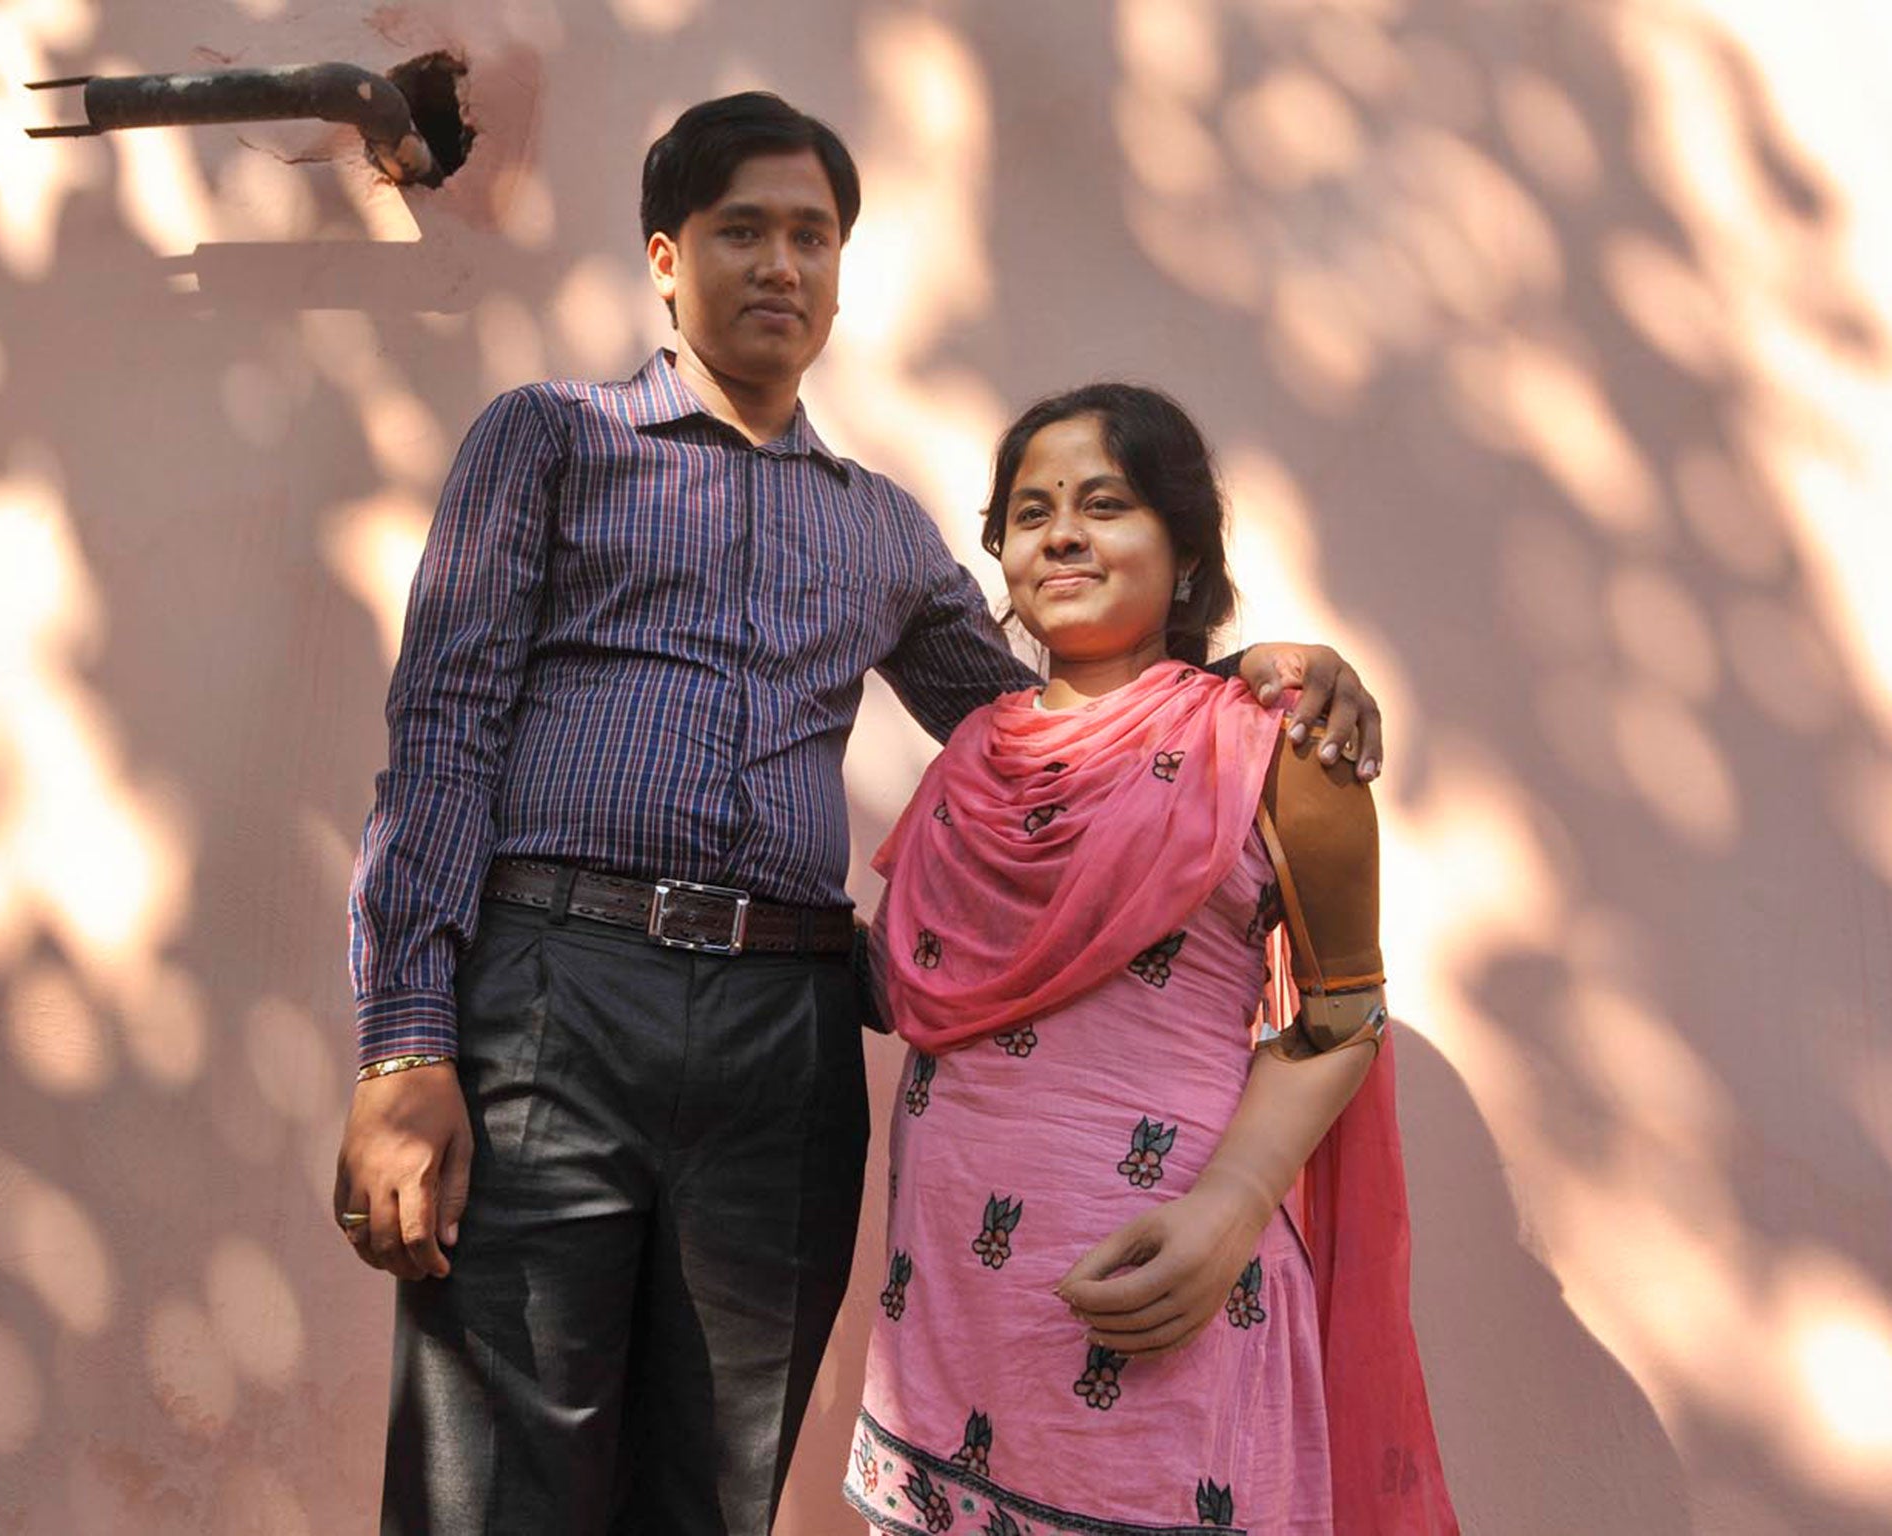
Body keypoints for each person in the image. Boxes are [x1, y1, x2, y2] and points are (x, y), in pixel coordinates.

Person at [331, 93, 1385, 1536]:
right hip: (552, 997)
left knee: (716, 1478)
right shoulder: (550, 443)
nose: (780, 265)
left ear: (841, 266)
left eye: (811, 236)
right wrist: (404, 1043)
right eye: (740, 231)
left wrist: (1246, 675)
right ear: (664, 255)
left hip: (786, 1030)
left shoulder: (883, 527)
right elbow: (440, 741)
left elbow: (1051, 736)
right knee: (496, 1480)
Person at [846, 385, 1454, 1534]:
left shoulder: (1277, 749)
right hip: (946, 1325)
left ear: (1184, 557)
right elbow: (908, 983)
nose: (1061, 533)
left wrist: (1227, 1211)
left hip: (1163, 1294)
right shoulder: (969, 761)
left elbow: (1340, 1016)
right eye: (1030, 513)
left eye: (1104, 503)